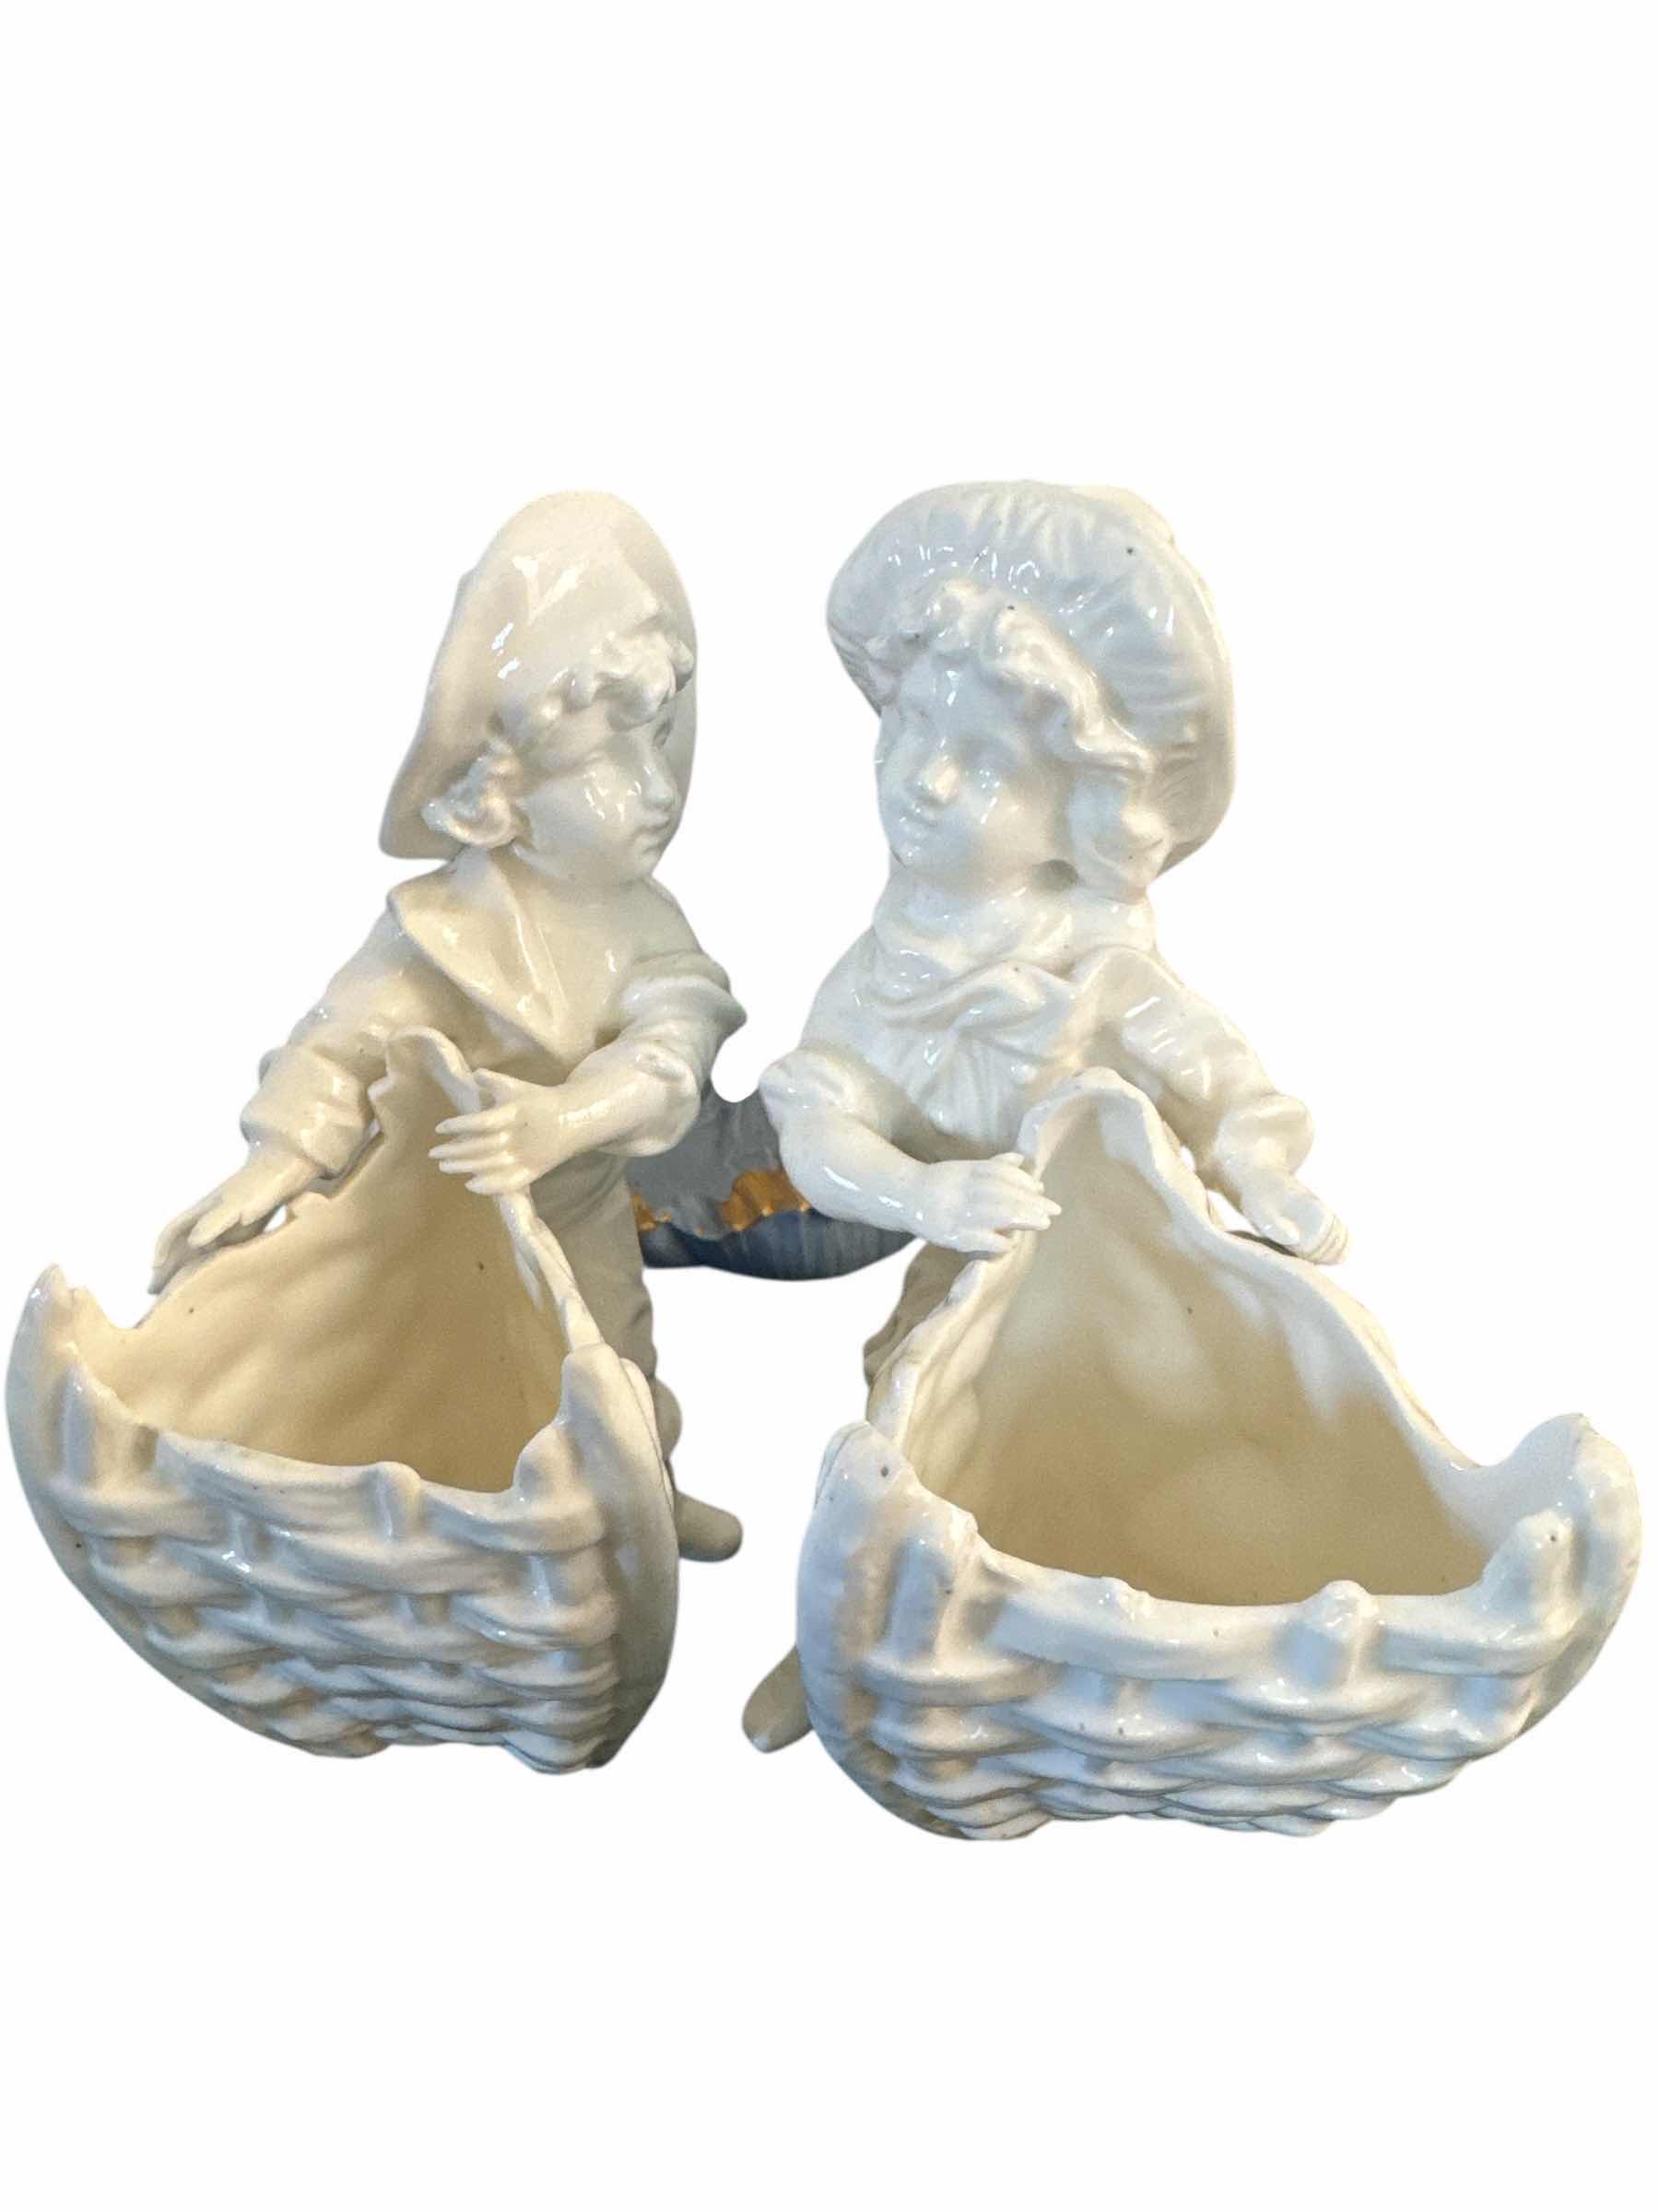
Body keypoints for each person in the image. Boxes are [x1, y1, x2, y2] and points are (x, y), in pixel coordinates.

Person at [747, 479, 1345, 1739]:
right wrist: (922, 1192)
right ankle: (854, 1642)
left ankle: (1145, 1658)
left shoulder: (1096, 961)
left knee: (1157, 1446)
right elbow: (818, 1128)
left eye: (987, 764)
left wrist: (1260, 1171)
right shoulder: (873, 978)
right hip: (970, 1283)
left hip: (1124, 1283)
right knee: (911, 1444)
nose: (926, 777)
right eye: (914, 724)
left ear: (1080, 811)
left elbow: (1212, 1073)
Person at [151, 492, 745, 1560]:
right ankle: (431, 1531)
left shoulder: (646, 931)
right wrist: (281, 1157)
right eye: (610, 766)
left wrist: (566, 1120)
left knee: (610, 1362)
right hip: (420, 1223)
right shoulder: (437, 927)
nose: (658, 790)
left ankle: (642, 1499)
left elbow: (671, 1057)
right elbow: (341, 1041)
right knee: (414, 1371)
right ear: (503, 793)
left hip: (575, 1212)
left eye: (659, 747)